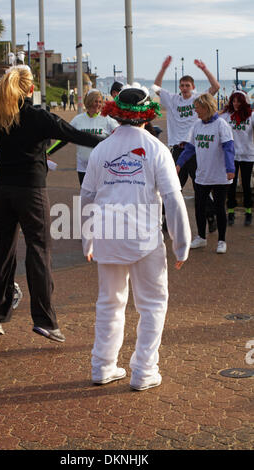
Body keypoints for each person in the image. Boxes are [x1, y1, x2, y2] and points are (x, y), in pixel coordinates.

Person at [0, 65, 104, 341]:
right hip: (31, 191)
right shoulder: (39, 117)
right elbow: (75, 135)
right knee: (38, 250)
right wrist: (114, 140)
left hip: (2, 190)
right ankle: (45, 321)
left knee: (3, 250)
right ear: (31, 88)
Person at [80, 85, 191, 391]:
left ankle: (102, 366)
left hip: (106, 235)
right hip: (144, 238)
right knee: (153, 303)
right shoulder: (156, 149)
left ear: (115, 113)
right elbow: (173, 198)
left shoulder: (102, 149)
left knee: (109, 303)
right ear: (147, 114)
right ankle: (144, 370)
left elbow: (87, 196)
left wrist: (87, 241)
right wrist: (181, 244)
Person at [154, 56, 220, 232]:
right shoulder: (173, 99)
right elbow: (156, 88)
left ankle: (211, 215)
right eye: (182, 86)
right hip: (177, 149)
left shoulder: (198, 99)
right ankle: (168, 219)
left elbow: (216, 87)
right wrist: (163, 68)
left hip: (195, 150)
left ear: (193, 87)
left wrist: (204, 69)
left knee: (200, 185)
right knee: (174, 187)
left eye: (187, 86)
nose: (184, 88)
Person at [176, 93, 235, 254]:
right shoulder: (197, 125)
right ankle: (201, 237)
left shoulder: (221, 125)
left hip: (220, 175)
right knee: (199, 207)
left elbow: (229, 148)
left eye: (197, 108)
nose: (195, 111)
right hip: (202, 175)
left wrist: (230, 169)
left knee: (219, 207)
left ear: (206, 107)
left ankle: (221, 240)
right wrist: (179, 164)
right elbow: (189, 148)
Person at [70, 89, 119, 186]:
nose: (98, 104)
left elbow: (121, 135)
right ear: (89, 101)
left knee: (101, 197)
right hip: (83, 167)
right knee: (86, 197)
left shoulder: (107, 120)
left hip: (103, 167)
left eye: (100, 102)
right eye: (95, 101)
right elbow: (64, 136)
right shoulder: (78, 120)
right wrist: (49, 152)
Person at [220, 90, 254, 226]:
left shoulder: (251, 116)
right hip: (231, 155)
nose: (236, 104)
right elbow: (213, 120)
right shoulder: (228, 116)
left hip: (248, 155)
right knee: (231, 185)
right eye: (233, 101)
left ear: (244, 102)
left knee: (246, 184)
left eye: (239, 101)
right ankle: (231, 212)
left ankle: (248, 212)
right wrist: (221, 111)